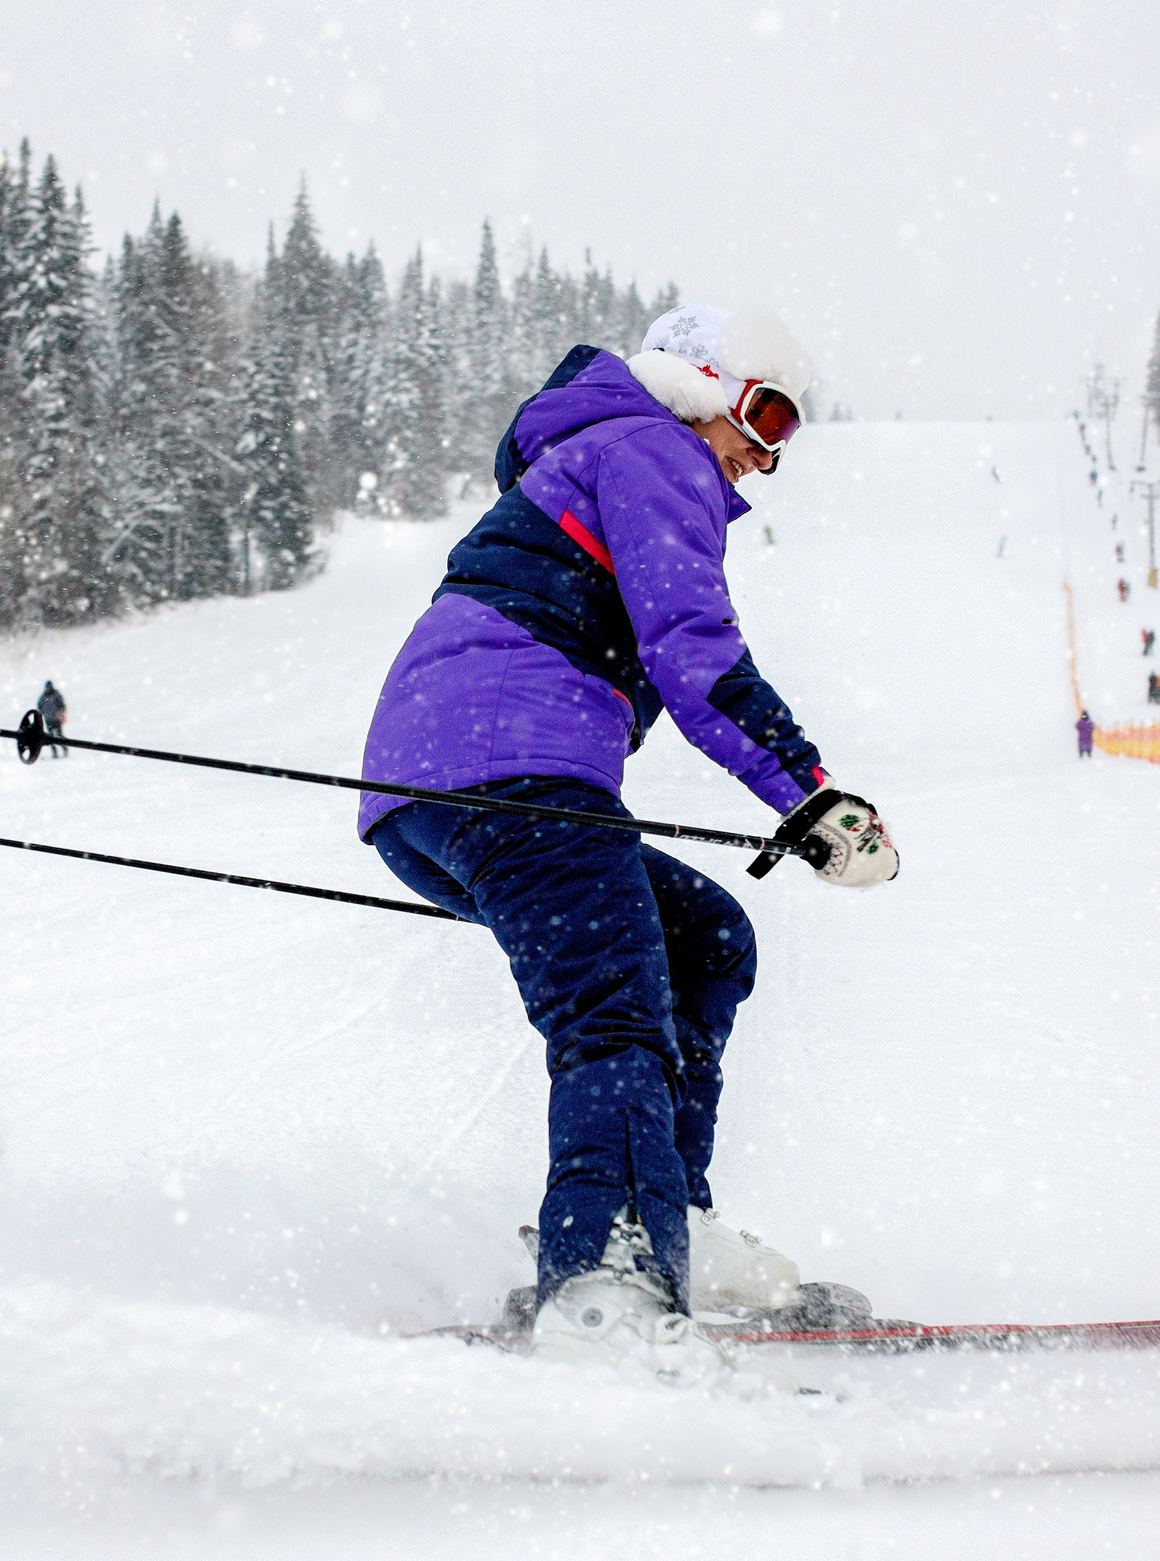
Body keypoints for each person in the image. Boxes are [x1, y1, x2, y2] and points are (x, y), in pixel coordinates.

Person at [356, 304, 897, 1378]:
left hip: (449, 788)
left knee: (703, 939)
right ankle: (605, 1274)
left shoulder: (596, 452)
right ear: (701, 383)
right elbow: (695, 655)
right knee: (613, 1001)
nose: (764, 455)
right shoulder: (654, 449)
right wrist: (809, 797)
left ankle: (667, 1223)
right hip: (512, 774)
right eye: (766, 413)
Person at [36, 680, 68, 758]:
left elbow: (62, 705)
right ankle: (54, 753)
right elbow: (39, 706)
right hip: (48, 719)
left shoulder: (56, 695)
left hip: (56, 719)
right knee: (50, 737)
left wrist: (61, 713)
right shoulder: (43, 696)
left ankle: (64, 748)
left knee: (59, 735)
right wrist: (43, 713)